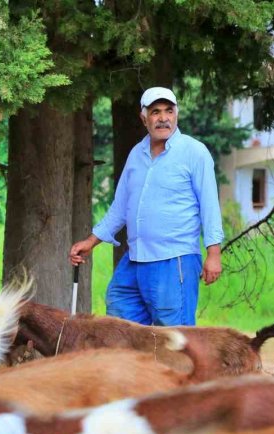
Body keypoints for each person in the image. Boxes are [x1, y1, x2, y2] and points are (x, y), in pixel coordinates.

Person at [69, 86, 224, 326]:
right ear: (144, 118)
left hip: (174, 260)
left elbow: (210, 206)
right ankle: (138, 366)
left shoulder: (194, 152)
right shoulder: (136, 154)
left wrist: (214, 253)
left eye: (169, 111)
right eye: (155, 112)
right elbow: (120, 208)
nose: (163, 118)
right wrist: (91, 241)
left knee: (173, 338)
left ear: (176, 114)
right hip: (135, 258)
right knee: (120, 319)